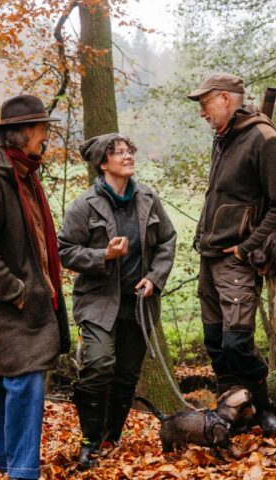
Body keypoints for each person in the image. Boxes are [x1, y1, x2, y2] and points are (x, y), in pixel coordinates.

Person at [0, 94, 70, 480]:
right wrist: (15, 289)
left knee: (14, 383)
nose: (46, 138)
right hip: (7, 306)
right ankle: (23, 472)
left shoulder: (25, 176)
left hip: (27, 304)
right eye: (42, 130)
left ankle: (5, 466)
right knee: (26, 383)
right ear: (21, 135)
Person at [58, 133, 176, 469]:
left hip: (138, 305)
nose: (127, 157)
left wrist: (154, 278)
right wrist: (103, 255)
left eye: (128, 151)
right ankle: (89, 440)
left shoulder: (148, 198)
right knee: (98, 366)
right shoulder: (84, 205)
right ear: (103, 163)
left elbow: (167, 240)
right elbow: (64, 250)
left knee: (126, 375)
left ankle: (111, 436)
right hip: (98, 302)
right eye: (118, 153)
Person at [188, 73, 276, 436]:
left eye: (205, 103)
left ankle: (264, 409)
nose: (202, 112)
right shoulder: (223, 138)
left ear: (225, 98)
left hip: (237, 259)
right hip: (209, 254)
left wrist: (248, 247)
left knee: (237, 343)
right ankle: (232, 411)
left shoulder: (264, 139)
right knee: (215, 343)